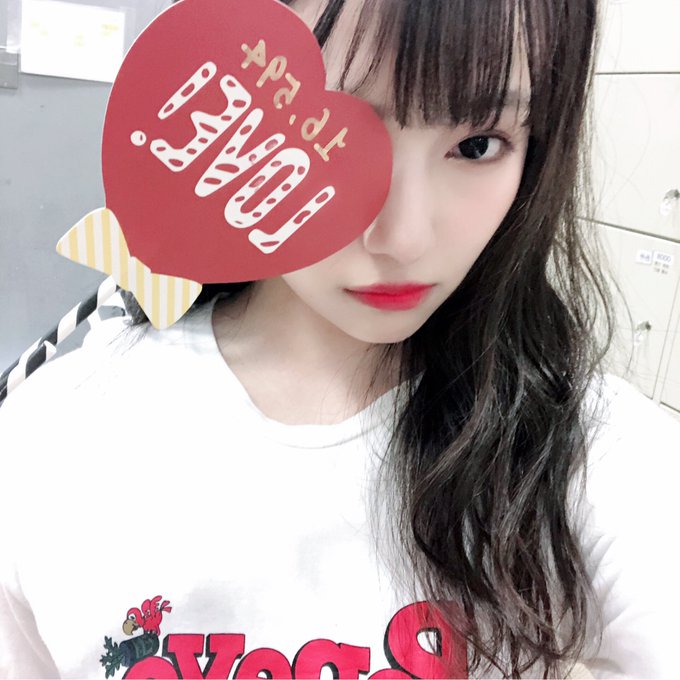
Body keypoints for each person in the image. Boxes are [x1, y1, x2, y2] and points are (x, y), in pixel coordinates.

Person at [1, 0, 679, 678]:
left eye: (478, 145)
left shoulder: (598, 455)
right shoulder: (50, 438)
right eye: (332, 137)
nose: (403, 238)